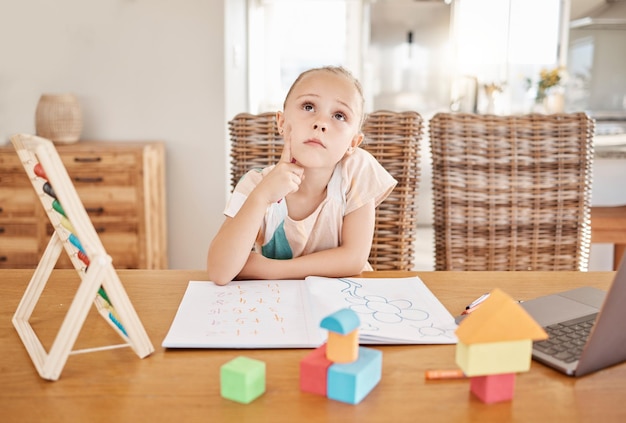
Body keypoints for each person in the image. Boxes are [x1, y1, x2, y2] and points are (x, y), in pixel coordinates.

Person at [207, 66, 396, 285]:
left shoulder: (357, 171)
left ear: (353, 143)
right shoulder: (255, 185)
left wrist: (271, 270)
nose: (321, 123)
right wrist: (262, 196)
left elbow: (353, 259)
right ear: (281, 122)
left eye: (339, 115)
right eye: (308, 106)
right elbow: (220, 272)